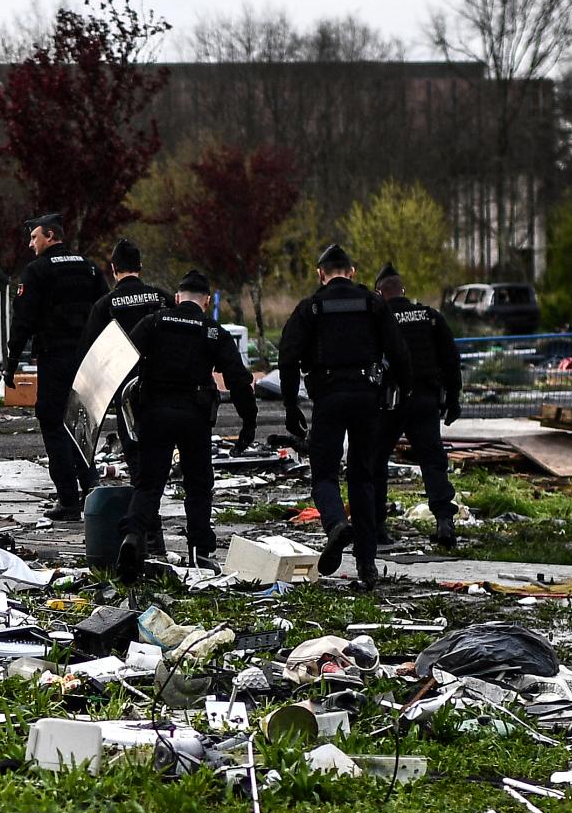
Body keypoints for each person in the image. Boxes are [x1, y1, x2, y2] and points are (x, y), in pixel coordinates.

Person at [276, 242, 410, 586]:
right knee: (363, 478)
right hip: (368, 398)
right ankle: (366, 564)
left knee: (324, 475)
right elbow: (400, 352)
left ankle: (336, 524)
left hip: (329, 397)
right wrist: (399, 390)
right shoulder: (373, 303)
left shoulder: (311, 308)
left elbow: (288, 357)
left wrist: (292, 406)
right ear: (352, 273)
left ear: (321, 274)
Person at [115, 269, 255, 579]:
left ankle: (133, 537)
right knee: (198, 486)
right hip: (194, 416)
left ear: (177, 298)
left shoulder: (153, 322)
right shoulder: (213, 331)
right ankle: (201, 554)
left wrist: (122, 407)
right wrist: (249, 423)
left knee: (149, 484)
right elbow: (239, 380)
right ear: (206, 301)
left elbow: (120, 359)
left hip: (154, 414)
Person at [5, 213, 107, 519]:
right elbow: (106, 309)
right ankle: (92, 485)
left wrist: (11, 363)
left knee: (53, 422)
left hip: (56, 356)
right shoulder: (89, 267)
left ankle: (68, 498)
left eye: (34, 237)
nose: (30, 244)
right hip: (88, 359)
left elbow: (22, 320)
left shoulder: (37, 271)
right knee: (82, 423)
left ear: (50, 236)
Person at [376, 265, 464, 547]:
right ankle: (444, 521)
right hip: (426, 400)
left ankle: (377, 525)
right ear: (403, 290)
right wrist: (453, 398)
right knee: (432, 461)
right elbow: (451, 359)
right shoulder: (429, 317)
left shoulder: (379, 318)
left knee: (375, 462)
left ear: (380, 293)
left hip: (389, 403)